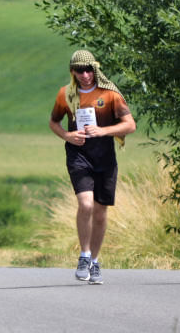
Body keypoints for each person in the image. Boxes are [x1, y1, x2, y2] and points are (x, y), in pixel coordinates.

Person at [49, 50, 136, 285]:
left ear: (94, 69)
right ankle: (84, 255)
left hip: (105, 157)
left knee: (100, 212)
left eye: (88, 70)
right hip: (78, 156)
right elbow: (53, 122)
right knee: (85, 204)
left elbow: (130, 125)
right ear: (73, 72)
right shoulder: (65, 95)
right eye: (79, 71)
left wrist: (103, 131)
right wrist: (67, 135)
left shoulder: (109, 94)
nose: (85, 75)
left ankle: (95, 261)